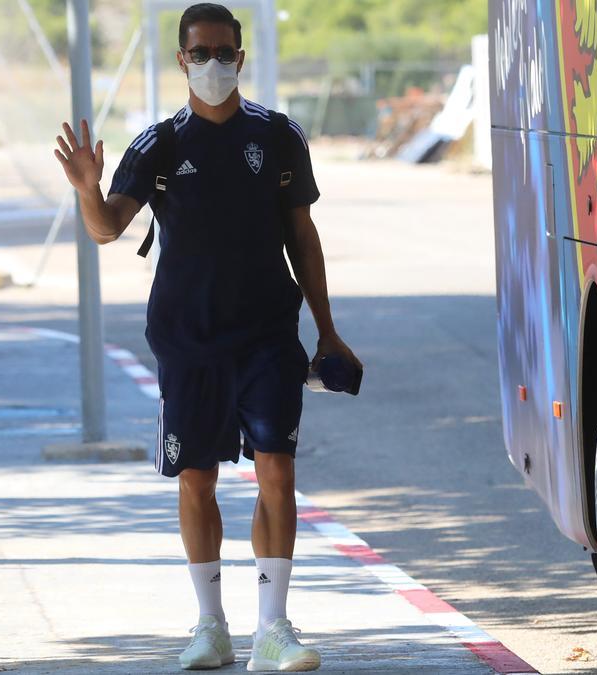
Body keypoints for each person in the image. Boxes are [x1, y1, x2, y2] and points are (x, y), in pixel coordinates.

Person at [52, 3, 360, 671]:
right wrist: (85, 188)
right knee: (196, 478)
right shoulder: (157, 144)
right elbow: (107, 227)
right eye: (201, 53)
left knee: (276, 467)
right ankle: (210, 624)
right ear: (182, 60)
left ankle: (273, 627)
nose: (214, 64)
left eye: (225, 53)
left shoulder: (279, 137)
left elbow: (303, 238)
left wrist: (328, 331)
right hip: (187, 340)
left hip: (268, 335)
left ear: (241, 59)